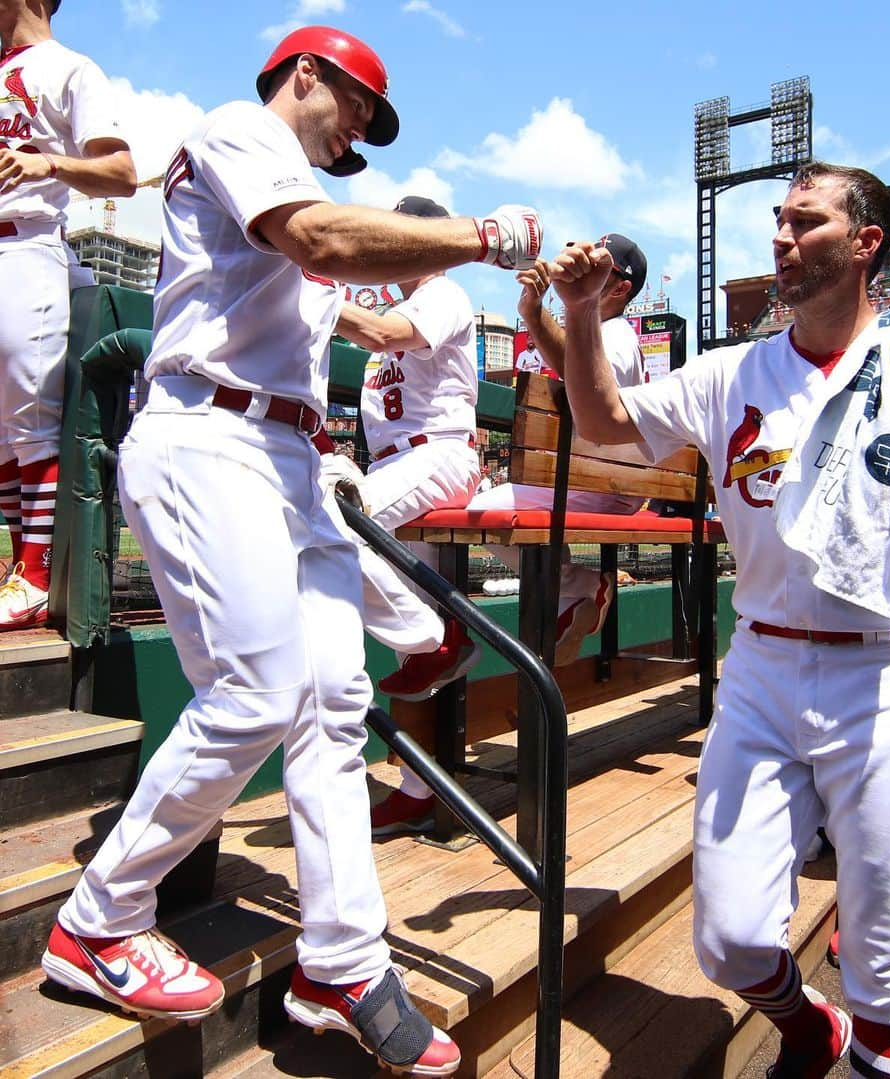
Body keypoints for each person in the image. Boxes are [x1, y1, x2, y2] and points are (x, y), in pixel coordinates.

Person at [39, 25, 539, 1076]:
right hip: (209, 435)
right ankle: (101, 913)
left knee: (331, 708)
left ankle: (342, 963)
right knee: (256, 695)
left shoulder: (290, 187)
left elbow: (345, 294)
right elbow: (320, 239)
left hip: (291, 459)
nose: (364, 126)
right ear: (303, 73)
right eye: (358, 101)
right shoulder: (238, 132)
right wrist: (482, 235)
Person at [553, 161, 890, 1079]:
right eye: (779, 221)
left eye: (806, 222)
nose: (781, 238)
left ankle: (872, 1038)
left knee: (885, 970)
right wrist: (588, 313)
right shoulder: (731, 372)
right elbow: (597, 420)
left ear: (865, 242)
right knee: (727, 936)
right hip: (760, 663)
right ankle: (807, 1023)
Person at [329, 193, 482, 836]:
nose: (390, 246)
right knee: (411, 641)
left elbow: (386, 334)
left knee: (338, 525)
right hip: (395, 466)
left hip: (439, 455)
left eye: (399, 235)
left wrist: (307, 291)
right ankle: (419, 788)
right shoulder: (401, 301)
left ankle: (439, 639)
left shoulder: (443, 293)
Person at [0, 0, 136, 628]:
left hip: (27, 241)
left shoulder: (70, 68)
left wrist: (48, 161)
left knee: (31, 419)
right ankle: (17, 566)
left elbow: (121, 173)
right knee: (2, 430)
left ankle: (35, 568)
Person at [467, 233, 648, 667]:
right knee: (522, 512)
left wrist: (533, 314)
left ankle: (579, 585)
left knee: (479, 512)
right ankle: (567, 600)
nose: (583, 272)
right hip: (598, 480)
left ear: (621, 288)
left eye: (600, 270)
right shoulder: (602, 332)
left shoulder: (617, 333)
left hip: (604, 483)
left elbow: (580, 367)